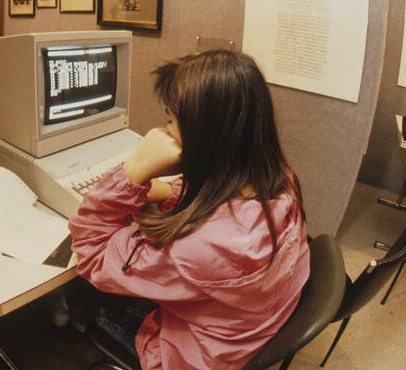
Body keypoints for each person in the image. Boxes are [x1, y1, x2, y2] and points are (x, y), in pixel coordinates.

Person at [68, 50, 310, 369]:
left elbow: (92, 253)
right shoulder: (279, 178)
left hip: (193, 355)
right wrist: (163, 190)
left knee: (78, 291)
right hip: (246, 328)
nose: (165, 131)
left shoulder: (199, 248)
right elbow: (220, 191)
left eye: (170, 119)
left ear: (206, 135)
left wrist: (134, 171)